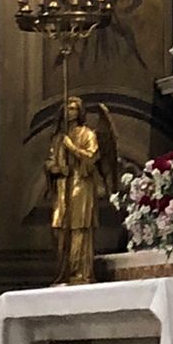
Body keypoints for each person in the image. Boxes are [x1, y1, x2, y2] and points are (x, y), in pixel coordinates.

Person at [46, 96, 118, 286]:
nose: (70, 112)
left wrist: (72, 148)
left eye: (74, 109)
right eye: (68, 109)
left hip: (81, 185)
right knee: (61, 229)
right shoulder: (58, 138)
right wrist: (57, 168)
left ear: (80, 113)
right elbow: (50, 161)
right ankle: (64, 272)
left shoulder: (87, 134)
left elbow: (92, 157)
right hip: (63, 186)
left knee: (80, 227)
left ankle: (80, 272)